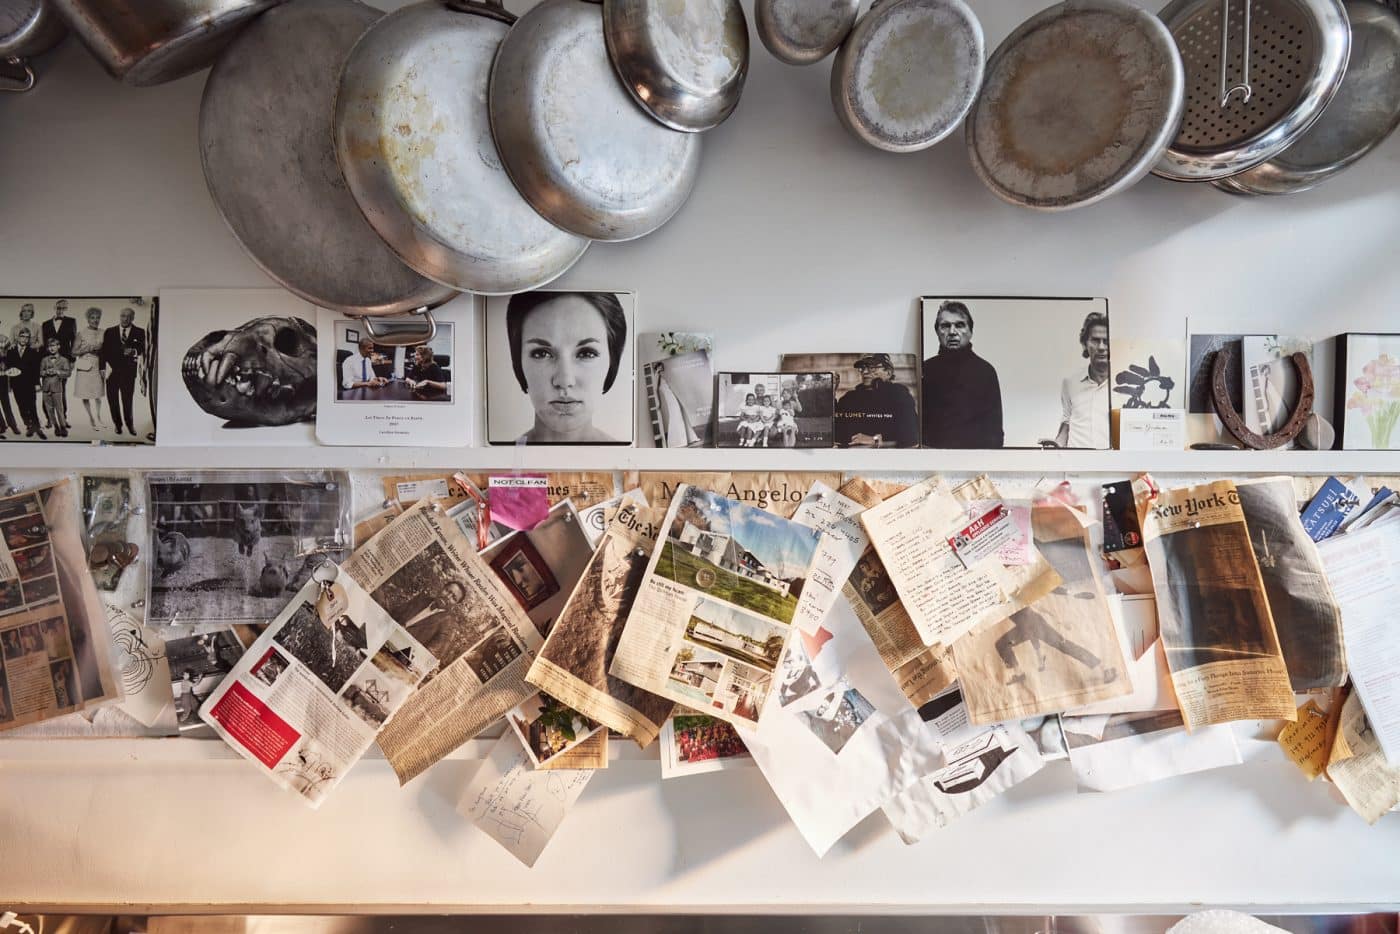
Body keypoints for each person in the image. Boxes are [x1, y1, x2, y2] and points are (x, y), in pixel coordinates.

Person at [505, 291, 628, 444]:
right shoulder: (493, 463)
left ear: (612, 361)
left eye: (586, 353)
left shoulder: (631, 462)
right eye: (541, 353)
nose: (564, 380)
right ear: (518, 361)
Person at [921, 300, 1004, 448]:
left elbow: (995, 434)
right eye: (945, 326)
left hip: (972, 462)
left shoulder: (985, 372)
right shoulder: (925, 370)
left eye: (959, 325)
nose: (952, 332)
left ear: (970, 331)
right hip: (932, 461)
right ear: (937, 331)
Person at [1045, 310, 1110, 449]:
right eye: (1095, 340)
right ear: (1085, 343)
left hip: (1111, 465)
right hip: (1077, 466)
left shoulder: (1123, 386)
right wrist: (1056, 445)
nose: (1101, 347)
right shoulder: (1070, 382)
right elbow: (1067, 421)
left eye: (1106, 341)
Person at [834, 353, 919, 447]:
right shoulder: (849, 398)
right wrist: (830, 393)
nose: (865, 372)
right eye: (862, 368)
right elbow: (835, 430)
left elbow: (911, 436)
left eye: (872, 367)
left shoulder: (899, 395)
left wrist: (875, 439)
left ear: (888, 372)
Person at [99, 307, 146, 436]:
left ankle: (130, 425)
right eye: (123, 316)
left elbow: (142, 348)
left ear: (133, 318)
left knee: (127, 400)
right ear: (120, 316)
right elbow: (103, 352)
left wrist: (134, 351)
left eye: (128, 316)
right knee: (112, 400)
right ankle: (117, 425)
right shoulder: (110, 331)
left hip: (128, 373)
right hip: (111, 373)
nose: (125, 319)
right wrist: (102, 368)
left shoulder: (140, 331)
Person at [42, 299, 76, 427]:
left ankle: (63, 418)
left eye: (63, 308)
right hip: (47, 361)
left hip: (64, 361)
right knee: (47, 390)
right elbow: (43, 344)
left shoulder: (71, 321)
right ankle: (49, 418)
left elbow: (73, 342)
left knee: (61, 391)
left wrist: (72, 361)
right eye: (58, 307)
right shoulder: (45, 324)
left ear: (66, 309)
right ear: (54, 307)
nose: (60, 310)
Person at [71, 307, 106, 431]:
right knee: (85, 394)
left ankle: (99, 416)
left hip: (97, 365)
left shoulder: (103, 332)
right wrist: (87, 349)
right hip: (85, 365)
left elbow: (107, 350)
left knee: (98, 394)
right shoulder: (81, 333)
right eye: (92, 317)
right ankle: (91, 418)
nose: (95, 320)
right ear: (88, 319)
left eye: (97, 318)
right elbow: (73, 352)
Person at [7, 328, 45, 439]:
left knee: (32, 406)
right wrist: (9, 384)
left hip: (29, 384)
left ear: (29, 339)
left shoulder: (33, 352)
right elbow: (9, 367)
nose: (24, 339)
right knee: (21, 406)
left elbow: (36, 369)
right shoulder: (11, 351)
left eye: (27, 337)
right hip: (16, 384)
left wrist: (37, 383)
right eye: (22, 336)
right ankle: (29, 426)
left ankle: (37, 427)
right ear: (18, 337)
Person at [39, 337, 72, 437]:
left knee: (59, 410)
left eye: (53, 346)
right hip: (45, 388)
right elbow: (40, 372)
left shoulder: (64, 360)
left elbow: (68, 373)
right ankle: (56, 427)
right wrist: (46, 372)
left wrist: (58, 372)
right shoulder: (44, 360)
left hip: (57, 388)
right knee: (49, 410)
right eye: (50, 346)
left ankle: (63, 427)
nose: (52, 348)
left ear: (58, 346)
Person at [0, 336, 19, 439]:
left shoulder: (5, 340)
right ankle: (2, 425)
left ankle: (13, 425)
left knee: (5, 403)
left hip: (2, 376)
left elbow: (9, 357)